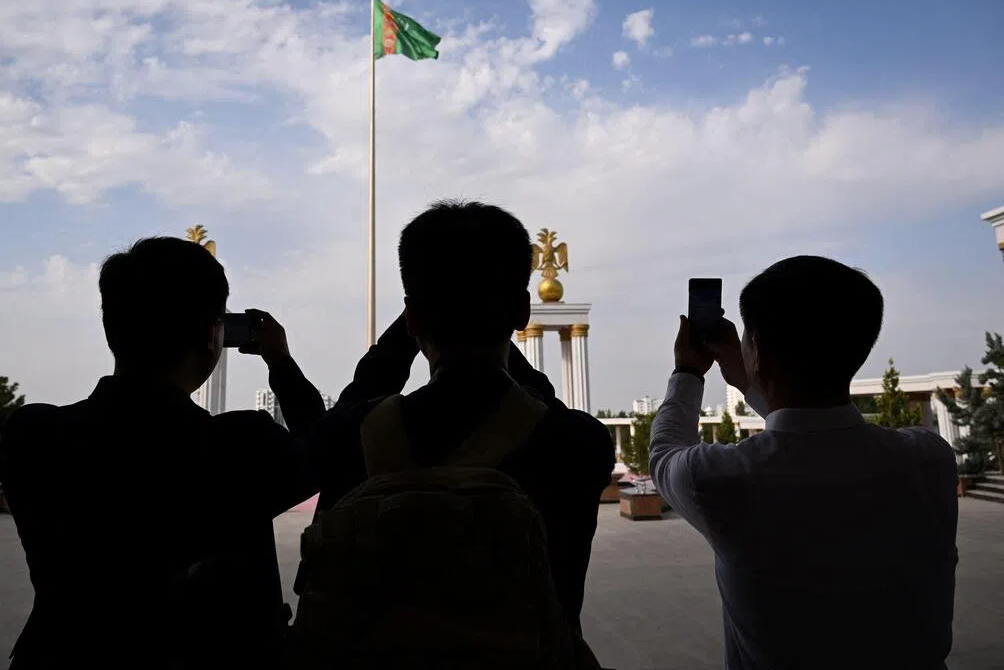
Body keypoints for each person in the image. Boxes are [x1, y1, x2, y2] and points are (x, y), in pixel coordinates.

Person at [291, 201, 615, 664]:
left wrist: (401, 338)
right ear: (523, 310)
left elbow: (340, 413)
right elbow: (537, 400)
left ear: (413, 319)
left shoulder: (350, 435)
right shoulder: (576, 444)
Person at [0, 236, 327, 669]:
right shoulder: (241, 447)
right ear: (214, 334)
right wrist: (280, 361)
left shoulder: (32, 436)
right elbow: (322, 445)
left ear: (111, 327)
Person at [649, 256, 958, 670]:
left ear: (756, 347)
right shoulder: (929, 459)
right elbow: (813, 428)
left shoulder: (720, 479)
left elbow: (665, 450)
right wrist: (751, 376)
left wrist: (689, 370)